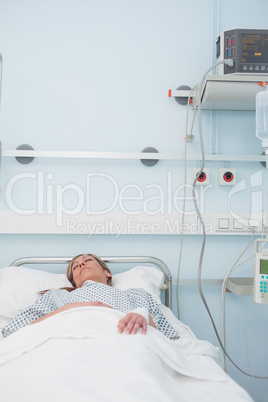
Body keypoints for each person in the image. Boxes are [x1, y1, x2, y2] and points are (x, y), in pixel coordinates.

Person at [2, 254, 180, 340]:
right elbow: (12, 332)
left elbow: (169, 337)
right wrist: (65, 310)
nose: (80, 264)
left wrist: (142, 316)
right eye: (75, 266)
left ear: (107, 272)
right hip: (66, 340)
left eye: (87, 261)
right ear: (74, 281)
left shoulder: (136, 294)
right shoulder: (56, 297)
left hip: (124, 338)